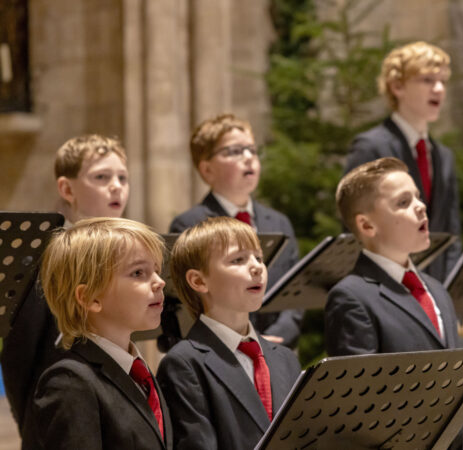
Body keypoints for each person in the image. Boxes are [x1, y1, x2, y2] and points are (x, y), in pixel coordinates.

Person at [325, 157, 463, 449]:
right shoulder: (352, 297)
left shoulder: (436, 290)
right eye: (403, 202)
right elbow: (360, 410)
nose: (420, 207)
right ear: (367, 225)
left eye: (418, 197)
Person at [1, 134, 129, 443]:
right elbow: (20, 362)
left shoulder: (129, 257)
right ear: (67, 189)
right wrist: (33, 428)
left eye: (123, 177)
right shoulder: (38, 262)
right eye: (101, 177)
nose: (116, 186)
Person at [157, 216, 301, 449]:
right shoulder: (184, 364)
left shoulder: (285, 358)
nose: (256, 267)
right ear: (198, 280)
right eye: (238, 260)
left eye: (259, 257)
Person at [31, 218, 171, 450]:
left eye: (156, 270)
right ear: (89, 298)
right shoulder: (70, 383)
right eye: (138, 273)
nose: (160, 282)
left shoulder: (139, 372)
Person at [168, 113, 301, 347]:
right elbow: (184, 304)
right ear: (207, 169)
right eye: (234, 151)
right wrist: (243, 339)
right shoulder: (191, 226)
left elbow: (295, 294)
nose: (248, 157)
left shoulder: (279, 223)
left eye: (251, 149)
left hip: (277, 348)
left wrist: (272, 341)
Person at [345, 41, 460, 281]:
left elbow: (451, 232)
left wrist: (448, 295)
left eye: (442, 81)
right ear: (397, 86)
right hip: (388, 287)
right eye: (427, 80)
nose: (438, 89)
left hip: (435, 288)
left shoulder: (443, 156)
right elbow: (357, 228)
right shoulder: (371, 147)